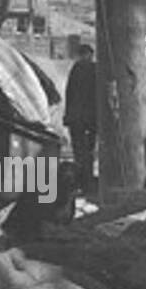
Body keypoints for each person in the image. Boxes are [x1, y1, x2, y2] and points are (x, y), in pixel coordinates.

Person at [63, 43, 97, 196]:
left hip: (76, 119)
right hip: (91, 119)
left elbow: (69, 94)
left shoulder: (76, 69)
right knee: (88, 152)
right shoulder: (95, 69)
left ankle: (82, 183)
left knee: (79, 152)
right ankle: (88, 184)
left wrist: (67, 116)